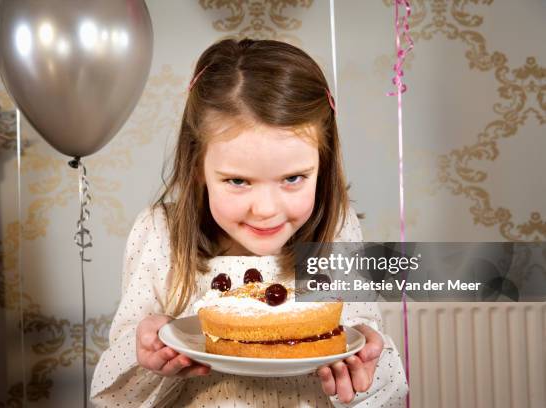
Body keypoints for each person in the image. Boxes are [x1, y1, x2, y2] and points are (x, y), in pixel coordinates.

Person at [90, 38, 408, 407]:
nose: (266, 209)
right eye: (238, 181)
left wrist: (367, 363)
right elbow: (114, 397)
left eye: (293, 178)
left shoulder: (336, 230)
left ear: (322, 164)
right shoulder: (160, 233)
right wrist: (145, 356)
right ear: (197, 167)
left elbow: (378, 377)